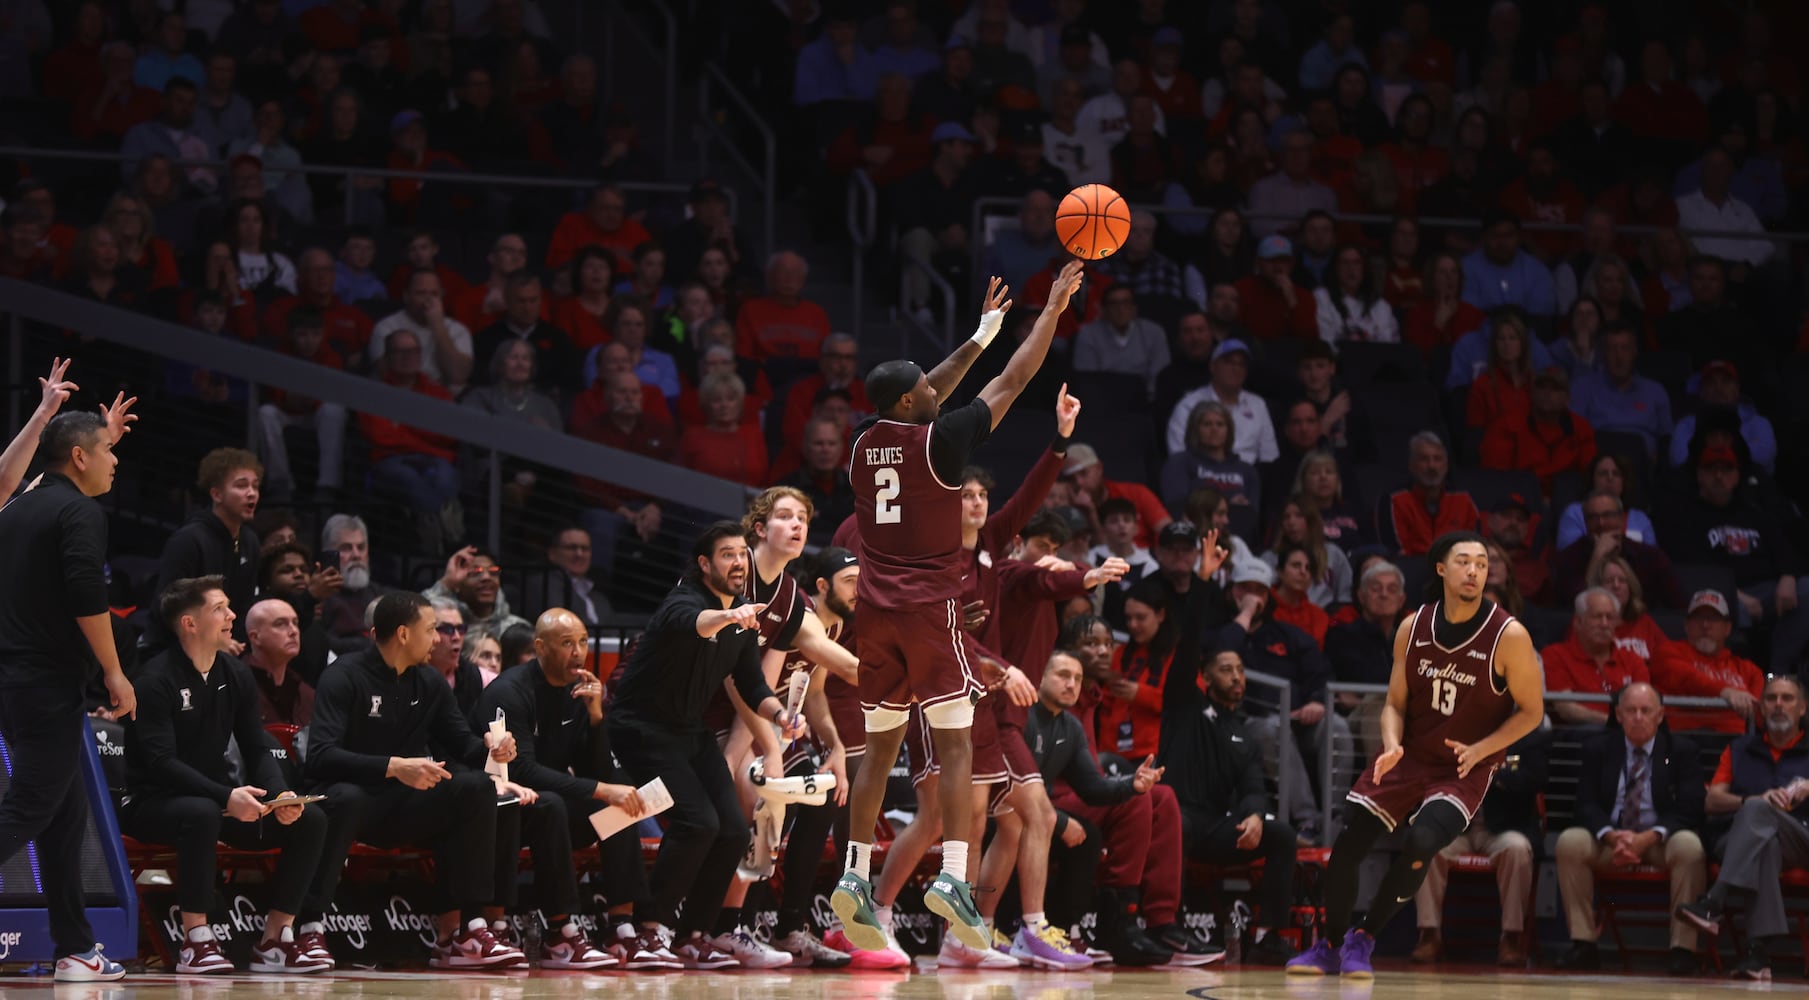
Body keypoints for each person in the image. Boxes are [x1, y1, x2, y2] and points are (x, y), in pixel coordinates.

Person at [833, 264, 1084, 953]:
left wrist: (977, 336)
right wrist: (1052, 311)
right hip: (928, 610)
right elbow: (1016, 379)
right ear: (914, 405)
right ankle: (950, 879)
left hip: (874, 617)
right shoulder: (940, 443)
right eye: (924, 388)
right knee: (953, 750)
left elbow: (928, 389)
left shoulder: (863, 442)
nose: (933, 390)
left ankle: (854, 875)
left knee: (879, 751)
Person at [1288, 532, 1545, 979]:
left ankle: (1363, 940)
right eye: (1464, 561)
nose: (1474, 571)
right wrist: (1390, 743)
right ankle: (1328, 946)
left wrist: (1484, 748)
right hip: (1409, 755)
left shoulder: (1510, 635)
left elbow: (1532, 712)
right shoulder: (1413, 627)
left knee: (1423, 840)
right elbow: (1395, 704)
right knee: (1349, 846)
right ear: (1441, 569)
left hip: (1466, 765)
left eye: (1482, 564)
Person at [604, 523, 803, 968]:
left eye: (741, 554)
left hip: (687, 731)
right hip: (641, 728)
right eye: (727, 554)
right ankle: (650, 928)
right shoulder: (686, 600)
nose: (738, 562)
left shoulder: (743, 618)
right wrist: (729, 617)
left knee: (734, 827)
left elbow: (752, 683)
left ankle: (694, 933)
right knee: (698, 823)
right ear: (704, 564)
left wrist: (782, 716)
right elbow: (693, 623)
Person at [121, 577, 334, 974]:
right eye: (220, 608)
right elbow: (160, 763)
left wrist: (281, 795)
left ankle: (275, 938)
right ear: (189, 623)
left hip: (216, 798)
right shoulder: (155, 680)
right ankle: (195, 940)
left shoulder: (233, 674)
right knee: (201, 812)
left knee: (311, 819)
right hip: (151, 802)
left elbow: (257, 745)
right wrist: (226, 797)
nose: (231, 615)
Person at [303, 592, 523, 969]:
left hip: (402, 805)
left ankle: (469, 928)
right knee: (349, 797)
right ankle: (309, 929)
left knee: (474, 788)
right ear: (404, 634)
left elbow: (463, 744)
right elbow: (320, 755)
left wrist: (493, 748)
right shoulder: (343, 675)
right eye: (432, 629)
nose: (438, 638)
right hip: (347, 799)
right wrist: (393, 766)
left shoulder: (429, 682)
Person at [0, 409, 136, 982]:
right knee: (34, 803)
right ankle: (75, 946)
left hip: (12, 678)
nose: (115, 458)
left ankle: (75, 948)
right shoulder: (79, 510)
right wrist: (114, 670)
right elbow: (86, 595)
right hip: (44, 680)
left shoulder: (19, 506)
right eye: (106, 449)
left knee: (65, 812)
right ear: (79, 458)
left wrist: (89, 431)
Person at [470, 609, 648, 970]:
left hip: (551, 807)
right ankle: (560, 933)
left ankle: (622, 928)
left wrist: (597, 717)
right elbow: (523, 771)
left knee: (622, 799)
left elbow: (594, 770)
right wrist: (600, 789)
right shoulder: (510, 691)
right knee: (556, 803)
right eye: (567, 643)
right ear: (540, 647)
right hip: (502, 809)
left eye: (582, 642)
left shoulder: (577, 692)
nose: (579, 652)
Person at [1160, 539, 1301, 965]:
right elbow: (1188, 641)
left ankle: (1271, 934)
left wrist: (1256, 813)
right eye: (1226, 669)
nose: (1236, 677)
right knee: (1176, 818)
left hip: (1215, 828)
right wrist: (1203, 579)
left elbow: (1254, 786)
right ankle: (1173, 926)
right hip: (1175, 819)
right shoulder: (1185, 702)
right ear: (1205, 677)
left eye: (1240, 670)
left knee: (1281, 833)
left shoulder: (1243, 734)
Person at [1029, 650, 1211, 966]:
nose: (1071, 684)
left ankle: (1156, 920)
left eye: (1077, 678)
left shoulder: (1070, 722)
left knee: (1158, 796)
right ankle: (1115, 920)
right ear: (1040, 675)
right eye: (1063, 676)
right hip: (1027, 805)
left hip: (1064, 802)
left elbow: (1092, 785)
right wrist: (1056, 819)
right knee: (1129, 807)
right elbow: (1013, 787)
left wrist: (1132, 784)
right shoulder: (1026, 716)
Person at [1553, 682, 1706, 976]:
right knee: (1570, 842)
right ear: (1618, 715)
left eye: (1645, 711)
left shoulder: (1681, 750)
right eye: (1631, 710)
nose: (1638, 717)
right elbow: (1584, 805)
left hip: (1659, 842)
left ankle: (1683, 949)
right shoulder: (1597, 748)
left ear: (1660, 715)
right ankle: (1584, 944)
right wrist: (1612, 836)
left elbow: (1690, 808)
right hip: (1612, 841)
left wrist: (1647, 838)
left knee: (1690, 847)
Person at [1676, 675, 1809, 980]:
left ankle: (1715, 900)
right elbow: (1712, 801)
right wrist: (1753, 800)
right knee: (1763, 836)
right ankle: (1757, 954)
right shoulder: (1738, 749)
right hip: (1743, 839)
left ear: (1803, 708)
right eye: (1771, 698)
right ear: (1761, 707)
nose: (1778, 705)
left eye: (1787, 699)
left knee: (1759, 818)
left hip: (1802, 836)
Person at [1409, 726, 1548, 967]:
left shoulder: (1529, 736)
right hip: (1458, 826)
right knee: (1426, 845)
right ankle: (1429, 934)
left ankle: (1512, 937)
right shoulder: (1452, 730)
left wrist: (1488, 769)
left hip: (1503, 828)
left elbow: (1533, 780)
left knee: (1517, 849)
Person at [153, 448, 263, 650]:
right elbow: (169, 606)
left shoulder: (251, 541)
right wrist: (212, 640)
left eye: (255, 486)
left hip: (226, 649)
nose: (252, 493)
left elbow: (244, 607)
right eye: (241, 485)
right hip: (175, 650)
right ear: (216, 494)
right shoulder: (189, 539)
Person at [1649, 590, 1765, 734]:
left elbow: (1759, 716)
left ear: (1727, 628)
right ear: (1686, 625)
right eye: (1698, 618)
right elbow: (1687, 679)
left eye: (1713, 618)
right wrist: (1725, 692)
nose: (1705, 625)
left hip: (1734, 744)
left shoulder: (1749, 670)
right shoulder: (1666, 652)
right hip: (1681, 740)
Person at [1542, 588, 1651, 725]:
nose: (1604, 624)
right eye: (1597, 617)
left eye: (1610, 618)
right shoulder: (1555, 655)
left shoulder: (1633, 660)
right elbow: (1566, 708)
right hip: (1579, 733)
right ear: (1578, 622)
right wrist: (1612, 722)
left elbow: (1643, 705)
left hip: (1627, 730)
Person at [1374, 433, 1480, 557]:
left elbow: (1473, 547)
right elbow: (1396, 553)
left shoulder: (1463, 500)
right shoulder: (1394, 501)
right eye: (1424, 459)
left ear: (1446, 465)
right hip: (1409, 571)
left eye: (1437, 459)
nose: (1431, 466)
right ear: (1411, 465)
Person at [243, 598, 315, 724]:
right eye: (280, 624)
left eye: (295, 623)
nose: (293, 631)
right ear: (255, 638)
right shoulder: (235, 684)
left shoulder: (306, 694)